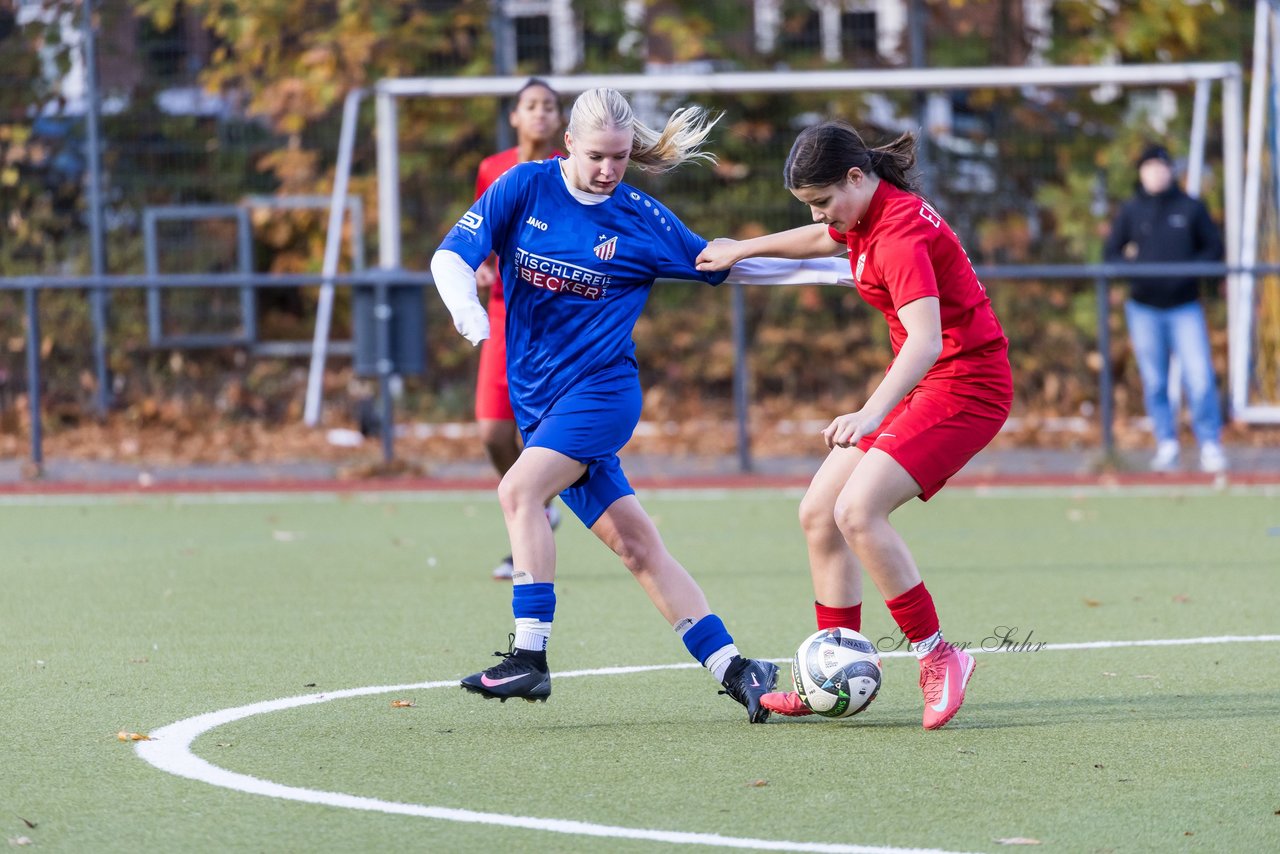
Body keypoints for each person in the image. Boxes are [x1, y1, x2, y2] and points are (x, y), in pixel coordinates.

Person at [429, 87, 779, 722]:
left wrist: (841, 262)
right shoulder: (523, 187)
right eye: (596, 156)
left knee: (518, 491)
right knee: (638, 548)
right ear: (568, 144)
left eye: (620, 157)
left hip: (601, 396)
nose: (609, 170)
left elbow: (729, 263)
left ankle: (528, 659)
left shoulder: (642, 218)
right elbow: (450, 255)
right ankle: (739, 670)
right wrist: (468, 314)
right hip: (540, 404)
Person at [696, 121, 1013, 730]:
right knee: (819, 512)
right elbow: (823, 240)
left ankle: (939, 655)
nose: (823, 218)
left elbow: (924, 342)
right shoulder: (864, 215)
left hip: (967, 385)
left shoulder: (895, 233)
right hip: (926, 381)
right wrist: (744, 247)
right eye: (812, 207)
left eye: (824, 202)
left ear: (856, 176)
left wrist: (869, 411)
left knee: (857, 511)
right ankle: (832, 678)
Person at [472, 78, 566, 580]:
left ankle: (528, 529)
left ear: (558, 120)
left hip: (548, 318)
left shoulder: (564, 173)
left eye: (549, 107)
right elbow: (482, 230)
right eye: (531, 106)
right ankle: (538, 506)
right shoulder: (492, 169)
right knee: (492, 431)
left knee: (541, 431)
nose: (540, 114)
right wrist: (483, 265)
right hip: (501, 314)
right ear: (515, 116)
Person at [1103, 143, 1227, 474]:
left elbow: (1214, 248)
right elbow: (1110, 253)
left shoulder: (1190, 208)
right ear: (1141, 173)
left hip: (1185, 306)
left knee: (1199, 377)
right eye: (1149, 167)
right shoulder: (1131, 210)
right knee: (1155, 380)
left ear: (1170, 170)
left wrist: (1187, 271)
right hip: (1143, 308)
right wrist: (1133, 272)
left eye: (1161, 166)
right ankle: (1166, 443)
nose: (1156, 172)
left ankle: (1210, 443)